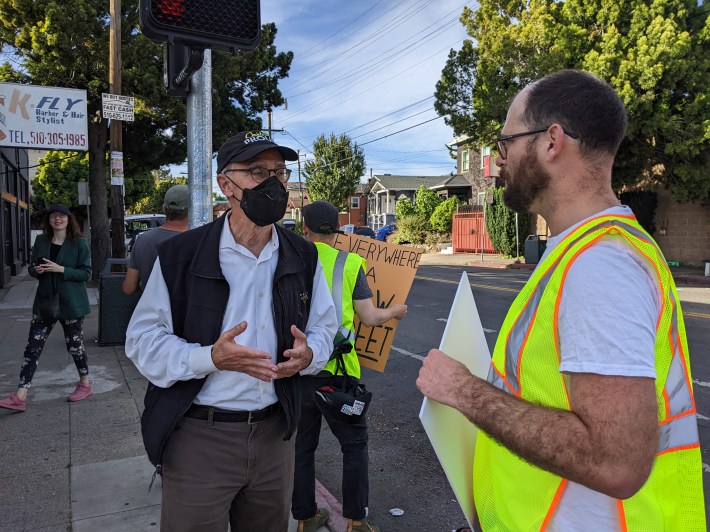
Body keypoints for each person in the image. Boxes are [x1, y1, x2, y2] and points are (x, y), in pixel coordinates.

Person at [417, 69, 705, 530]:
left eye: (506, 140)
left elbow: (616, 462)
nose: (500, 157)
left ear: (551, 142)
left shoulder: (599, 267)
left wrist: (464, 391)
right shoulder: (584, 250)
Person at [124, 131, 338, 531]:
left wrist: (309, 356)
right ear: (226, 183)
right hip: (199, 438)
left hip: (276, 435)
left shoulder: (302, 255)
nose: (273, 184)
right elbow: (142, 340)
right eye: (258, 171)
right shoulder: (179, 256)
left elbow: (325, 326)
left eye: (279, 172)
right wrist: (209, 358)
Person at [292, 201, 407, 532]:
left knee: (302, 447)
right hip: (338, 372)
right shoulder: (349, 262)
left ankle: (304, 518)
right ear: (340, 230)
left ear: (305, 229)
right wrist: (394, 311)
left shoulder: (291, 262)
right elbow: (369, 317)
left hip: (298, 370)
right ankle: (356, 521)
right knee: (353, 445)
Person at [0, 204, 93, 412]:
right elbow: (32, 268)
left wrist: (61, 269)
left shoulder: (79, 243)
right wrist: (37, 270)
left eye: (61, 216)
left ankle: (85, 384)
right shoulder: (40, 241)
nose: (57, 220)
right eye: (53, 216)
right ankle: (20, 395)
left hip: (71, 303)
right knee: (33, 346)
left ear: (69, 220)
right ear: (49, 220)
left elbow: (86, 273)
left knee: (75, 346)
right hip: (45, 302)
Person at [122, 184, 189, 295]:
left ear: (164, 208)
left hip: (151, 310)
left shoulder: (142, 240)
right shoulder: (197, 242)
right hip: (186, 311)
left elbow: (129, 288)